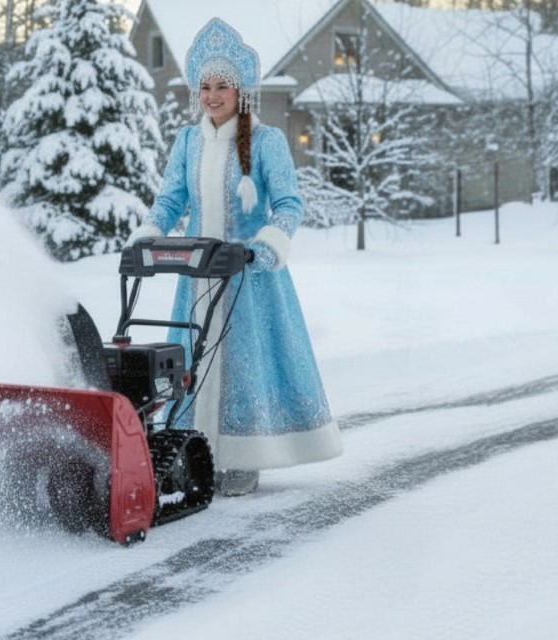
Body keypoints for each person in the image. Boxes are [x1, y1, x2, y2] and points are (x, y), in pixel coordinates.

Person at [127, 18, 341, 496]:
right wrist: (150, 232)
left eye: (222, 85)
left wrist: (265, 247)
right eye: (206, 86)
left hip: (248, 277)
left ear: (240, 90)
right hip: (197, 273)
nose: (213, 95)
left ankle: (244, 455)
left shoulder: (266, 142)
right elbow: (170, 201)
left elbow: (289, 205)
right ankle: (194, 449)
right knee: (190, 360)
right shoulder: (187, 141)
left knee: (244, 363)